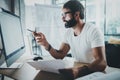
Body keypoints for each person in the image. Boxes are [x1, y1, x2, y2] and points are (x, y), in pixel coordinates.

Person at [33, 0, 107, 80]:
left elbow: (101, 62)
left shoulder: (93, 30)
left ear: (76, 14)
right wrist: (46, 45)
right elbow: (60, 55)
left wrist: (78, 71)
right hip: (78, 72)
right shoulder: (69, 33)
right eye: (62, 14)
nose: (62, 18)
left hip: (93, 73)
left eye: (65, 14)